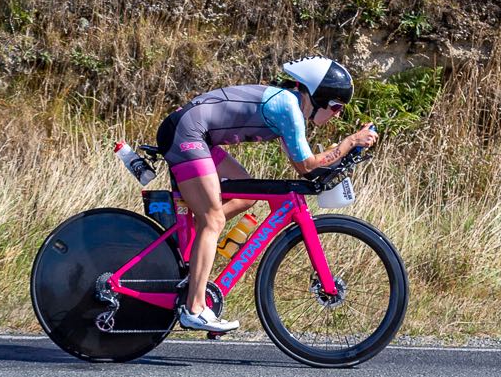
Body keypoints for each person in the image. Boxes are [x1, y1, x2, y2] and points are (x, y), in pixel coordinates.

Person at [155, 56, 377, 333]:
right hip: (187, 133)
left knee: (246, 192)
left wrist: (345, 153)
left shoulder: (290, 107)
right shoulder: (288, 107)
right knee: (213, 220)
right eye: (335, 106)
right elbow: (308, 166)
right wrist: (351, 141)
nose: (338, 114)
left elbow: (304, 168)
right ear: (317, 96)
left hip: (195, 133)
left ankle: (195, 249)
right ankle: (195, 309)